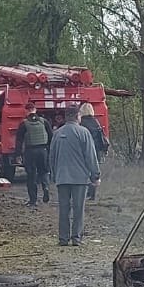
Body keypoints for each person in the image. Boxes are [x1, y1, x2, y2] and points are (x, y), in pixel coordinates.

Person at [48, 105, 101, 246]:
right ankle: (76, 238)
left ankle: (63, 239)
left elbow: (51, 157)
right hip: (79, 179)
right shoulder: (84, 133)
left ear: (66, 117)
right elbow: (90, 156)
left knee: (64, 209)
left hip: (62, 178)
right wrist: (95, 175)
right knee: (78, 209)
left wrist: (54, 175)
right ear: (78, 116)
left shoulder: (57, 134)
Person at [15, 112, 52, 207]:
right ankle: (46, 187)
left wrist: (18, 154)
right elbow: (51, 136)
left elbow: (19, 140)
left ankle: (33, 200)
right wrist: (49, 150)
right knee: (44, 171)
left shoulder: (24, 124)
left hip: (30, 151)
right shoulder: (44, 122)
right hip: (43, 150)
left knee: (31, 175)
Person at [78, 103, 108, 200]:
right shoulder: (96, 122)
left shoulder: (81, 123)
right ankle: (92, 195)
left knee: (83, 171)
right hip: (95, 150)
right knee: (94, 172)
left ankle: (83, 193)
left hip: (84, 150)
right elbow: (101, 138)